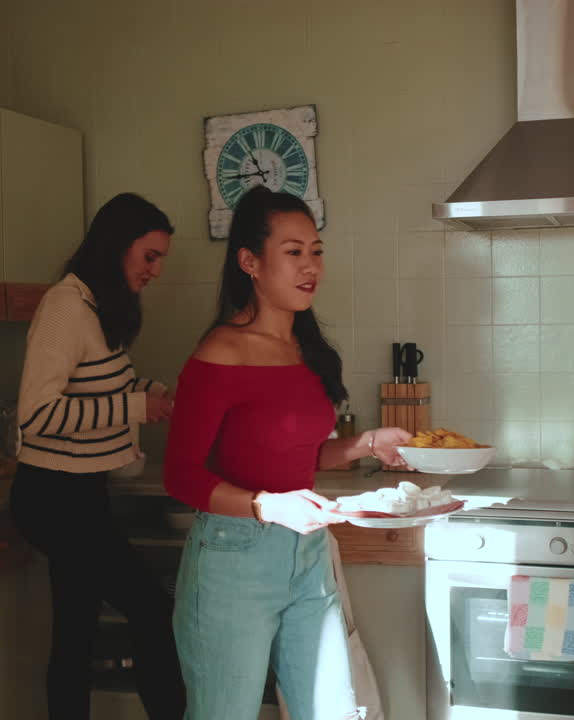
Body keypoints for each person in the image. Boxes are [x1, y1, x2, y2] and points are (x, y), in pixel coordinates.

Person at [163, 186, 411, 720]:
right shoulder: (219, 353)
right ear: (250, 262)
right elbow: (180, 475)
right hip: (233, 560)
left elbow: (297, 454)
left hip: (307, 555)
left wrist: (367, 444)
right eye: (293, 251)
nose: (310, 266)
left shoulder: (307, 349)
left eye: (316, 250)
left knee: (334, 712)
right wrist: (268, 506)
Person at [10, 192, 184, 719]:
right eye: (149, 256)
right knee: (153, 611)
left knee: (75, 636)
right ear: (117, 246)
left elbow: (115, 383)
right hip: (52, 497)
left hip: (81, 494)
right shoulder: (65, 307)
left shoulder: (96, 305)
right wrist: (136, 406)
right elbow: (36, 414)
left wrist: (171, 399)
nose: (155, 270)